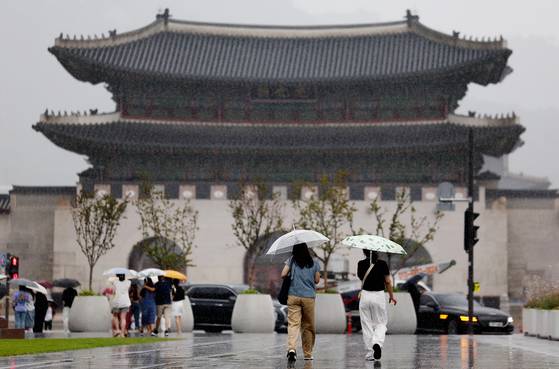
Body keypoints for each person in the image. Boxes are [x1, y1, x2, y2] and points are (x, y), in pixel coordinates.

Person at [281, 243, 321, 363]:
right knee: (308, 326)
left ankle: (292, 349)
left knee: (293, 324)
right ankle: (308, 353)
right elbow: (317, 280)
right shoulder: (314, 263)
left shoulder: (291, 261)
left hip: (293, 296)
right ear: (306, 250)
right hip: (308, 297)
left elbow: (283, 274)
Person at [357, 249, 397, 361]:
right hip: (378, 296)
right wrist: (391, 296)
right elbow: (388, 282)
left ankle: (370, 354)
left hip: (365, 296)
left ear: (364, 252)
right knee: (381, 323)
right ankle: (377, 343)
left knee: (366, 325)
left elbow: (361, 278)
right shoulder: (383, 264)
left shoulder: (360, 264)